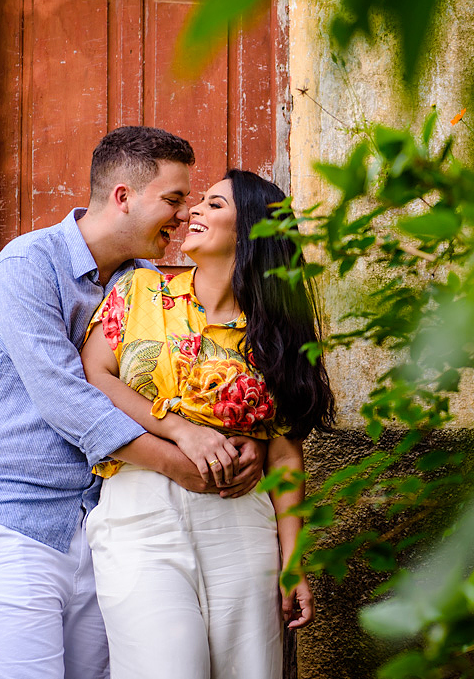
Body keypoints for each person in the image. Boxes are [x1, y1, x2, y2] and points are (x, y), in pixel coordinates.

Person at [0, 127, 266, 679]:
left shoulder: (147, 286)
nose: (184, 214)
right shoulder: (28, 265)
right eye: (173, 199)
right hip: (10, 519)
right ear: (123, 197)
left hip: (96, 525)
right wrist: (181, 458)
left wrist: (252, 444)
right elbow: (65, 394)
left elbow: (199, 376)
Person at [81, 168, 336, 679]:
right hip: (139, 511)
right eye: (198, 203)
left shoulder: (273, 333)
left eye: (215, 205)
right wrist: (177, 427)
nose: (193, 211)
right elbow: (95, 376)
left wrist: (293, 564)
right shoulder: (140, 289)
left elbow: (286, 455)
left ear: (254, 233)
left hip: (240, 521)